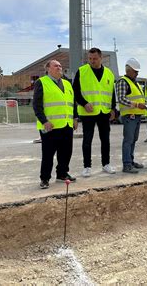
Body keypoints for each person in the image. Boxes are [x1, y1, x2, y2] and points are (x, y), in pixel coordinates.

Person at [33, 60, 77, 189]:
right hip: (50, 126)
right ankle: (45, 178)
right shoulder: (41, 82)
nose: (59, 67)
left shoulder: (67, 84)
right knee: (48, 154)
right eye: (56, 65)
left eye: (60, 65)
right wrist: (44, 121)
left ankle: (62, 174)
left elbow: (72, 103)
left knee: (66, 152)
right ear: (48, 69)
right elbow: (37, 105)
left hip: (67, 124)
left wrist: (75, 118)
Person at [73, 48, 116, 177]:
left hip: (104, 111)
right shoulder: (82, 71)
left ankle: (106, 164)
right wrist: (84, 103)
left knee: (105, 139)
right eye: (90, 59)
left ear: (101, 58)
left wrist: (113, 108)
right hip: (88, 113)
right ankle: (87, 166)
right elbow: (75, 91)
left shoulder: (109, 73)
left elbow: (111, 93)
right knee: (87, 140)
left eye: (95, 58)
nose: (92, 61)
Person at [115, 58, 147, 173]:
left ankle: (131, 161)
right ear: (128, 70)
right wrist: (138, 104)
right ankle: (127, 164)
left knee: (133, 139)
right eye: (135, 71)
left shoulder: (135, 83)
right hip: (130, 115)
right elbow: (122, 99)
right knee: (128, 140)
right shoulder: (123, 81)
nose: (137, 74)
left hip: (137, 115)